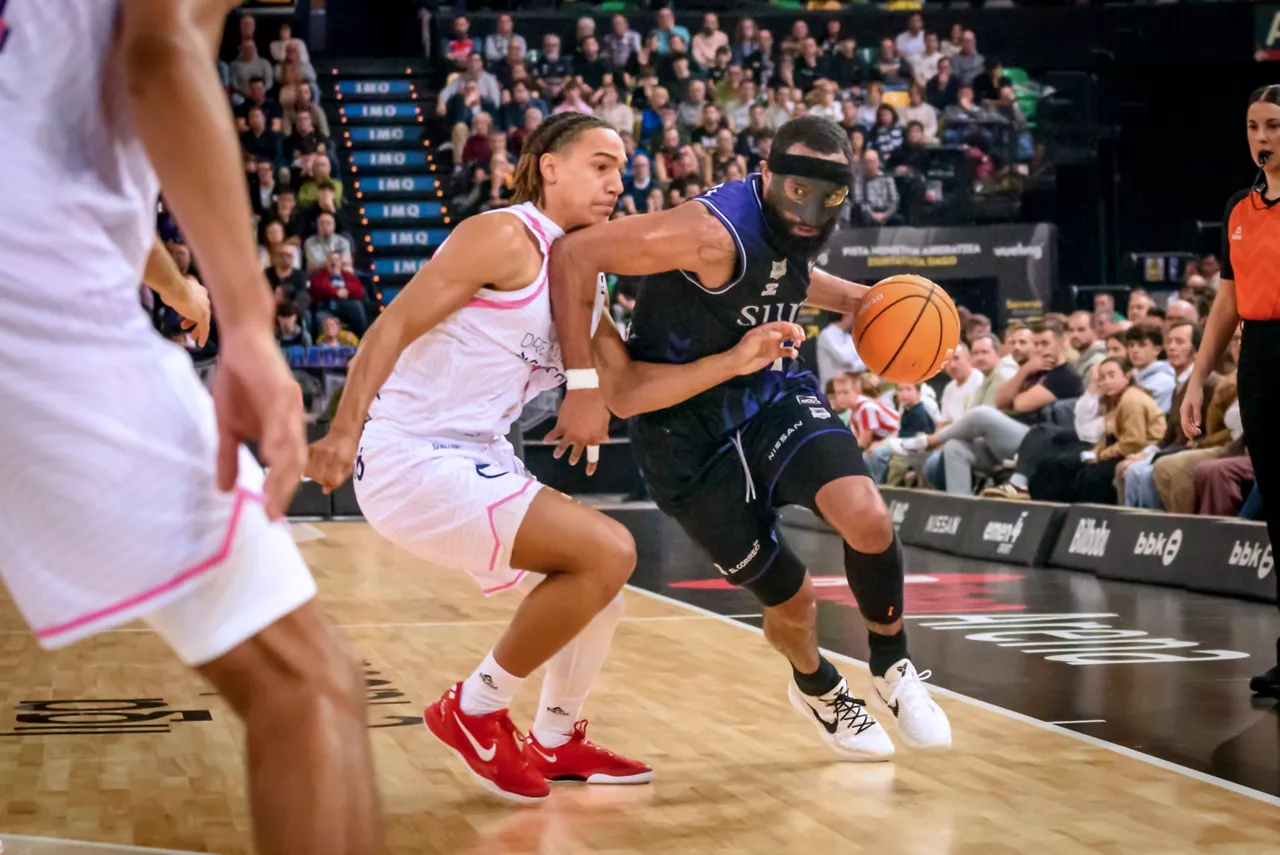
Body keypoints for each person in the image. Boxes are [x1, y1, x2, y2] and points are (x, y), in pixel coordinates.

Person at [305, 112, 804, 802]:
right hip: (411, 453)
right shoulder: (503, 236)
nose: (615, 183)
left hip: (479, 455)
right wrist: (340, 428)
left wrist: (733, 360)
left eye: (621, 171)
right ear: (549, 166)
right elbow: (392, 326)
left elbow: (624, 391)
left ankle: (556, 737)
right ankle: (474, 709)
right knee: (607, 550)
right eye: (600, 165)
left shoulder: (584, 275)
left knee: (598, 592)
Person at [0, 2, 383, 853]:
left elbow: (56, 127)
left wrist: (178, 289)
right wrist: (249, 324)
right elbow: (162, 50)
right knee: (309, 683)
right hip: (31, 279)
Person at [548, 116, 953, 760]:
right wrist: (581, 385)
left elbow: (778, 272)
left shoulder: (795, 220)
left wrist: (869, 302)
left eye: (829, 199)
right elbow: (573, 253)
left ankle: (893, 665)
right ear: (767, 177)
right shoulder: (707, 231)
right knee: (793, 598)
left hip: (766, 395)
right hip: (681, 435)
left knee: (868, 516)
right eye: (797, 192)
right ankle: (817, 686)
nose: (811, 211)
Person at [1181, 84, 1280, 699]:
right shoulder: (1239, 209)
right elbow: (1226, 302)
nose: (1263, 139)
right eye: (1253, 127)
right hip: (1262, 360)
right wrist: (1196, 377)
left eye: (1273, 126)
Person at [816, 312, 866, 388]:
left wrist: (858, 363)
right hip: (831, 390)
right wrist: (858, 362)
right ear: (845, 315)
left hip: (850, 388)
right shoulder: (827, 334)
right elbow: (844, 358)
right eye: (855, 316)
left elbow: (863, 360)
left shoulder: (849, 337)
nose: (857, 320)